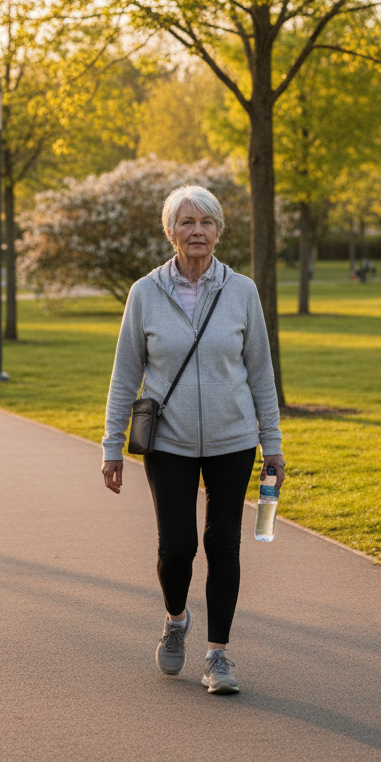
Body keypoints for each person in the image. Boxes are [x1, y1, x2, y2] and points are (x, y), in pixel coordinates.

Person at [101, 185, 284, 695]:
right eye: (187, 222)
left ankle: (218, 656)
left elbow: (261, 374)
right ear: (171, 231)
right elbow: (125, 375)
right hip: (169, 442)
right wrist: (112, 447)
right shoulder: (145, 293)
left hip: (233, 439)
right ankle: (176, 618)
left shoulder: (242, 291)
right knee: (177, 547)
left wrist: (271, 444)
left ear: (219, 231)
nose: (197, 231)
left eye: (206, 222)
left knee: (223, 544)